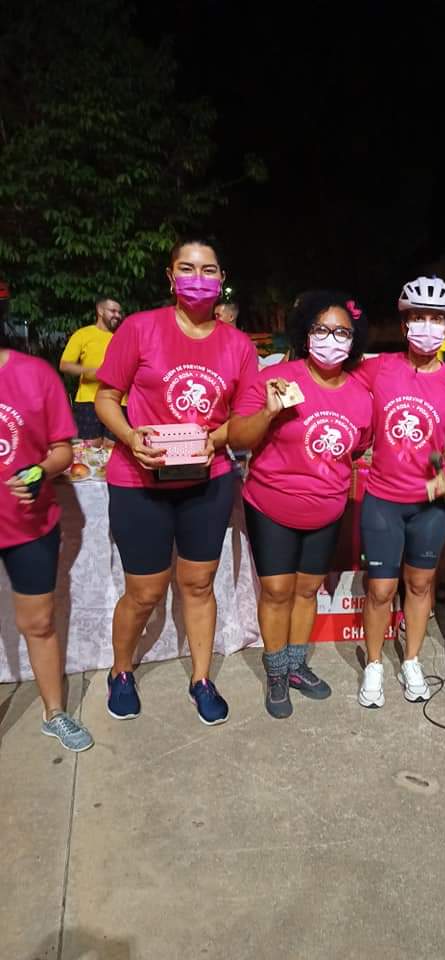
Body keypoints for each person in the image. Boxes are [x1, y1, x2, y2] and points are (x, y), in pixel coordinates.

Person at [94, 238, 257, 725]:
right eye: (187, 268)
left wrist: (219, 435)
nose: (198, 278)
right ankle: (121, 671)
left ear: (221, 277)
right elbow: (106, 398)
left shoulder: (239, 344)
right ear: (170, 277)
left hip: (208, 483)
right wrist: (129, 434)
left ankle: (202, 678)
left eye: (208, 269)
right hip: (139, 481)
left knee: (199, 584)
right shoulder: (141, 329)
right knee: (144, 591)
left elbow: (244, 417)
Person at [228, 291, 371, 719]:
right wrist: (269, 413)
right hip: (271, 505)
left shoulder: (362, 395)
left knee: (308, 590)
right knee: (276, 591)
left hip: (326, 509)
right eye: (322, 329)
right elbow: (238, 438)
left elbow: (356, 447)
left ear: (354, 338)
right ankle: (275, 672)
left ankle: (295, 666)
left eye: (342, 331)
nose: (332, 338)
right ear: (305, 333)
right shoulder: (277, 379)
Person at [353, 276, 445, 707]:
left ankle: (412, 659)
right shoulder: (379, 368)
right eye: (418, 317)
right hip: (383, 500)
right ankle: (375, 664)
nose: (427, 326)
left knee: (420, 586)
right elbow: (334, 385)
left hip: (431, 508)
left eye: (435, 319)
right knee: (381, 590)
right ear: (404, 324)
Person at [0, 323, 94, 751]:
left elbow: (62, 448)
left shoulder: (36, 374)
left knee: (38, 622)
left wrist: (40, 471)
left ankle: (54, 712)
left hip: (28, 525)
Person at [60, 297, 124, 446]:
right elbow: (65, 365)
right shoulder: (83, 334)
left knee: (113, 447)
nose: (117, 315)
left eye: (119, 312)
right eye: (113, 311)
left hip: (118, 400)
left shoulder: (122, 336)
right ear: (100, 311)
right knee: (90, 446)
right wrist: (96, 372)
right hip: (88, 399)